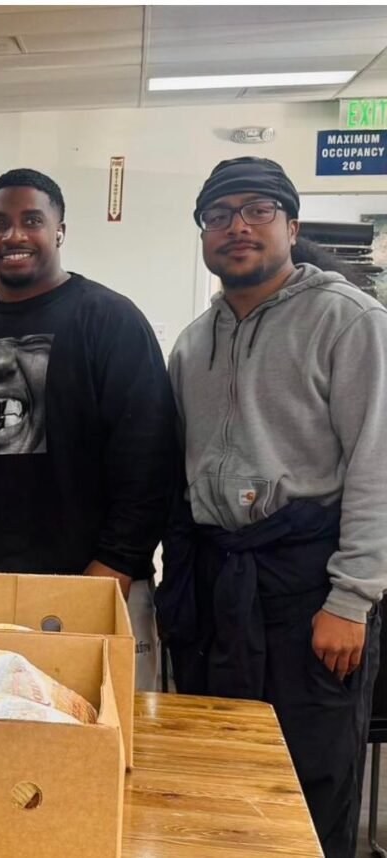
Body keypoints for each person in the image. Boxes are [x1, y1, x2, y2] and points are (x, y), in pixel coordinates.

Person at [159, 157, 387, 858]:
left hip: (308, 586)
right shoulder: (193, 342)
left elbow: (378, 463)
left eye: (258, 210)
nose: (238, 227)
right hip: (217, 584)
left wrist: (351, 600)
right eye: (220, 215)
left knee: (307, 772)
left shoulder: (348, 320)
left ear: (290, 224)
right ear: (203, 235)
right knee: (217, 767)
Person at [0, 169, 179, 690]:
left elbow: (150, 453)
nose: (14, 235)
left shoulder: (110, 320)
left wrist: (116, 563)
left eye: (31, 221)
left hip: (92, 579)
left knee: (103, 736)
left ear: (59, 231)